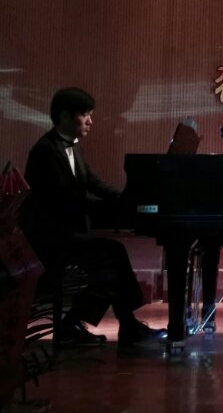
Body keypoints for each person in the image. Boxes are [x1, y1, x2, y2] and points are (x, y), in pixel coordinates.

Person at [21, 87, 166, 346]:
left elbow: (93, 182)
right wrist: (114, 208)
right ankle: (78, 325)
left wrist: (125, 200)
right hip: (51, 239)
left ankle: (122, 326)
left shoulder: (73, 147)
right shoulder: (45, 151)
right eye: (85, 114)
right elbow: (66, 199)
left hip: (68, 234)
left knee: (113, 257)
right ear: (65, 117)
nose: (90, 121)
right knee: (111, 258)